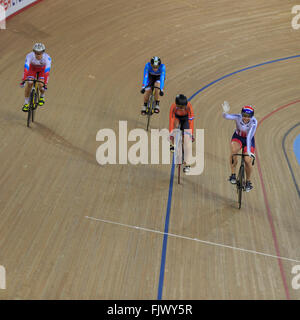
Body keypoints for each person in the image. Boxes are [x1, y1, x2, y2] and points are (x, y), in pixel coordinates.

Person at [222, 101, 257, 192]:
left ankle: (248, 181)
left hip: (249, 140)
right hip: (238, 137)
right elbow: (226, 117)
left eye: (248, 116)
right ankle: (233, 175)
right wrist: (225, 112)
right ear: (242, 114)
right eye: (244, 115)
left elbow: (249, 137)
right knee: (233, 151)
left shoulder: (254, 122)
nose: (246, 118)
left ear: (252, 116)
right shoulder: (238, 117)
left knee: (247, 160)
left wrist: (249, 151)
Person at [20, 43, 52, 112]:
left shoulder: (47, 58)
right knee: (29, 83)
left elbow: (47, 72)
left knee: (41, 85)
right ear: (33, 52)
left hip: (42, 71)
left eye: (40, 53)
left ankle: (42, 96)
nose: (38, 55)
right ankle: (26, 103)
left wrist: (45, 84)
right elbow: (26, 68)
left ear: (43, 52)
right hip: (32, 69)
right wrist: (23, 80)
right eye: (36, 52)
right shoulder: (29, 56)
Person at [169, 94, 195, 173]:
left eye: (183, 107)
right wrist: (171, 134)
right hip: (177, 118)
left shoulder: (189, 107)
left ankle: (187, 164)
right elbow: (171, 120)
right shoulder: (173, 107)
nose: (181, 109)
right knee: (175, 126)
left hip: (186, 119)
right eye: (180, 107)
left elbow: (191, 122)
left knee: (187, 141)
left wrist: (190, 134)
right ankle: (173, 145)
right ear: (176, 105)